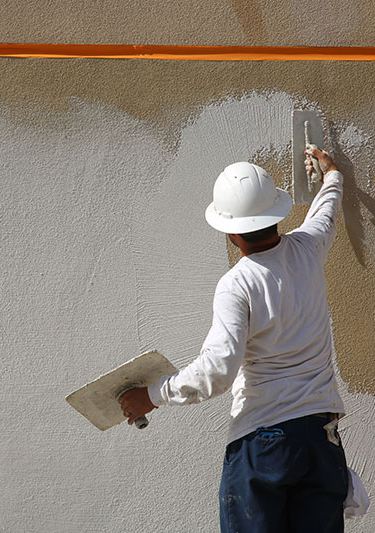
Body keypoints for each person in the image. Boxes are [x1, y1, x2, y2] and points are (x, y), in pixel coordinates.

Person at [119, 147, 348, 532]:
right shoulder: (308, 249)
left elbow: (218, 371)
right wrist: (332, 175)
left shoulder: (237, 284)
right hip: (321, 441)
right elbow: (326, 214)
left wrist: (152, 395)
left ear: (230, 231)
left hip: (266, 444)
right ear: (277, 213)